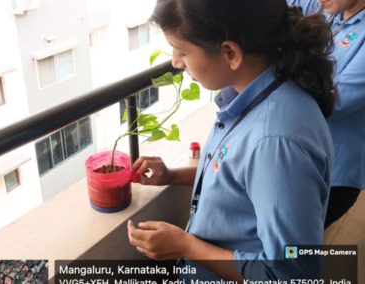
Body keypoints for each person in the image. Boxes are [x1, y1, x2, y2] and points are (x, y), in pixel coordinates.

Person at [127, 0, 336, 280]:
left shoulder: (274, 142)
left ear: (230, 53)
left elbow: (293, 273)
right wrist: (173, 175)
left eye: (182, 52)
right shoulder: (256, 93)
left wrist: (185, 246)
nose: (176, 62)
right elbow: (237, 178)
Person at [287, 0, 365, 228]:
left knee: (293, 248)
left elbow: (333, 101)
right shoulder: (329, 8)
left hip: (333, 173)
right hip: (299, 156)